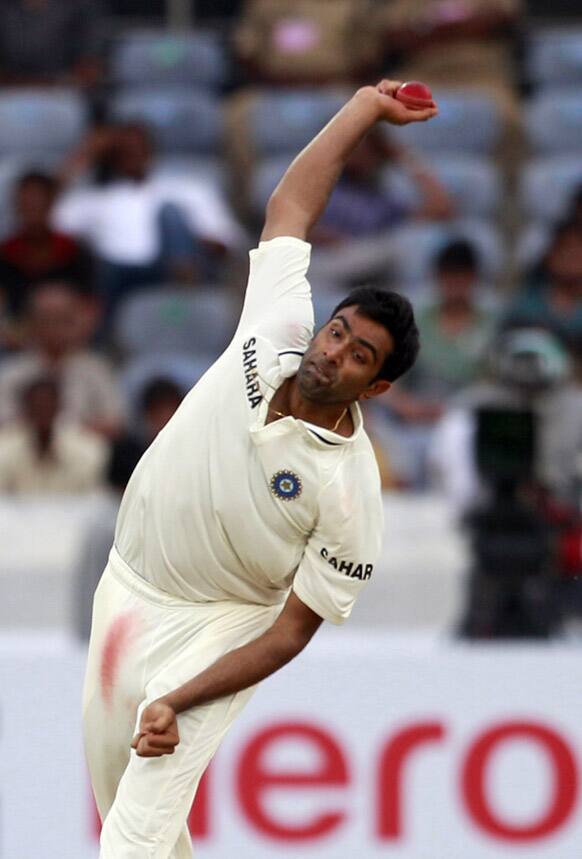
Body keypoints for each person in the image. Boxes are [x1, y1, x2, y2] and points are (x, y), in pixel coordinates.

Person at [82, 79, 437, 857]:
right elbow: (290, 210)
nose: (333, 351)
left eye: (358, 355)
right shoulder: (276, 323)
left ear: (375, 385)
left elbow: (288, 634)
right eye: (338, 331)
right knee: (134, 825)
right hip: (126, 588)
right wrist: (364, 108)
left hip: (218, 631)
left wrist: (183, 693)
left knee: (130, 843)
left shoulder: (349, 488)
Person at [55, 122, 246, 322]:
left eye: (138, 147)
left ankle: (182, 295)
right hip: (118, 275)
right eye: (124, 150)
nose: (132, 154)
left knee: (170, 212)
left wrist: (196, 241)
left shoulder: (187, 188)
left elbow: (229, 239)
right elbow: (48, 225)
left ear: (151, 149)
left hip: (177, 268)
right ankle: (106, 330)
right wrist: (85, 154)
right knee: (101, 268)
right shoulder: (91, 199)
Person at [0, 281, 125, 438]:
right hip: (22, 455)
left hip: (83, 454)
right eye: (47, 320)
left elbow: (115, 422)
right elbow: (4, 422)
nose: (55, 328)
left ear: (77, 322)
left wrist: (66, 435)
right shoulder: (12, 370)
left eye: (63, 320)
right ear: (32, 322)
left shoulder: (96, 368)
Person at [0, 171, 93, 334]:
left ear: (51, 203)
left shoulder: (73, 251)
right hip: (17, 340)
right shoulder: (5, 254)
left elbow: (89, 306)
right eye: (26, 203)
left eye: (38, 202)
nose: (33, 209)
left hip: (67, 339)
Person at [0, 374, 107, 494]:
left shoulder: (87, 448)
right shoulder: (5, 447)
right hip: (15, 512)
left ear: (59, 407)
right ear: (26, 409)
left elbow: (93, 498)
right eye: (37, 407)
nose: (43, 412)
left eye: (48, 406)